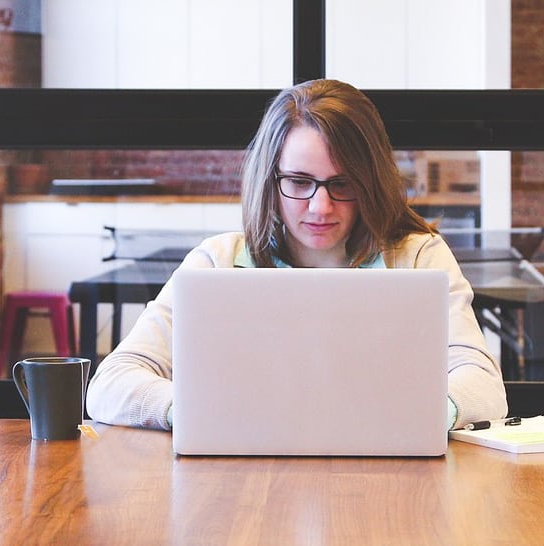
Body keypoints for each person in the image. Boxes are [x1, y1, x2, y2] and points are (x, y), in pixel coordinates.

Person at [85, 79, 508, 431]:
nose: (321, 207)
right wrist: (198, 411)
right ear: (270, 179)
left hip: (385, 480)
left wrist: (413, 416)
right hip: (242, 483)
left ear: (371, 181)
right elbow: (111, 384)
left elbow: (485, 387)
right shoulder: (218, 262)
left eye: (343, 184)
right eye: (300, 181)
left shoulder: (417, 257)